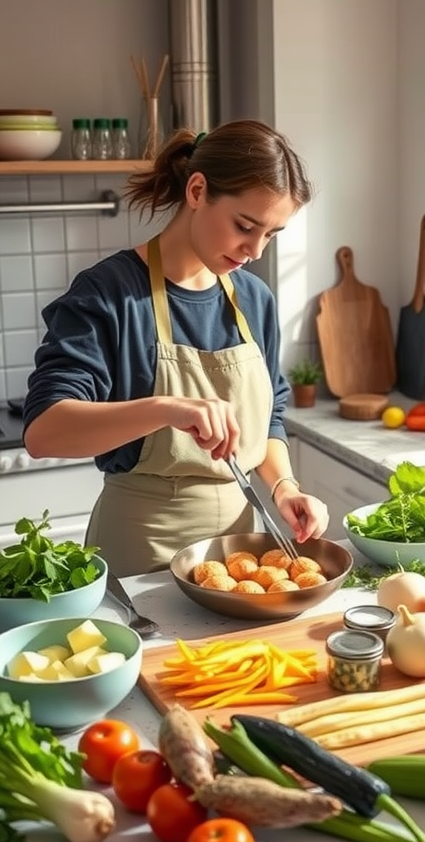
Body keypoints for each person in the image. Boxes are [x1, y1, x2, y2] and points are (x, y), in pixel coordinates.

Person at [23, 119, 329, 577]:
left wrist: (284, 486)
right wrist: (167, 408)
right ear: (198, 190)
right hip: (139, 559)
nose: (256, 250)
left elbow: (269, 419)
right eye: (245, 226)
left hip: (236, 561)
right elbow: (43, 433)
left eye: (271, 234)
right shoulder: (108, 294)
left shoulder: (253, 300)